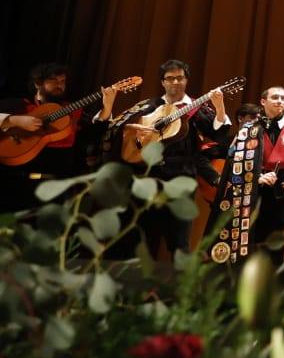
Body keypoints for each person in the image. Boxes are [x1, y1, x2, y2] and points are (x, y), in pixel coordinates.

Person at [98, 60, 231, 256]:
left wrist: (219, 107)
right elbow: (111, 130)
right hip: (145, 178)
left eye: (180, 78)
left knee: (178, 240)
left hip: (180, 178)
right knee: (139, 237)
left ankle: (179, 285)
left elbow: (218, 134)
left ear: (186, 81)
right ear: (163, 82)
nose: (175, 82)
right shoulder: (148, 105)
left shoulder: (194, 107)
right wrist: (128, 126)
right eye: (170, 78)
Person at [209, 86, 284, 266]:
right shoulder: (249, 129)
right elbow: (234, 162)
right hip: (250, 195)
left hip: (282, 196)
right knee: (249, 244)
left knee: (275, 246)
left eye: (283, 98)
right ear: (263, 102)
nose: (280, 101)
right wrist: (256, 177)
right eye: (275, 97)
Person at [0, 63, 120, 213]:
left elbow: (92, 135)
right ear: (38, 83)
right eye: (53, 80)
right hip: (14, 185)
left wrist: (107, 107)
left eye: (63, 81)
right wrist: (16, 121)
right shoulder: (18, 105)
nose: (60, 85)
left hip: (58, 188)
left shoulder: (72, 112)